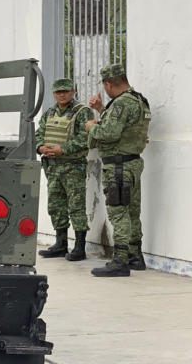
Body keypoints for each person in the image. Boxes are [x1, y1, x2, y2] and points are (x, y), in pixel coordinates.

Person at [85, 64, 150, 277]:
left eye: (105, 86)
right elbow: (126, 126)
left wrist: (92, 127)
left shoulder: (121, 103)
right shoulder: (139, 100)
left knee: (118, 211)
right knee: (132, 211)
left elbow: (110, 133)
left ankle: (120, 261)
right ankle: (135, 256)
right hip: (132, 163)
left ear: (109, 83)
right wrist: (103, 110)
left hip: (118, 167)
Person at [36, 78, 94, 261]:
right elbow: (39, 133)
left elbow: (86, 138)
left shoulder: (82, 112)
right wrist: (40, 148)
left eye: (65, 91)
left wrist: (63, 149)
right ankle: (60, 244)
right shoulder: (49, 113)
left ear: (73, 92)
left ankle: (79, 247)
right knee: (56, 206)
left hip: (72, 167)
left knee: (76, 207)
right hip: (52, 168)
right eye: (58, 92)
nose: (61, 95)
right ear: (53, 93)